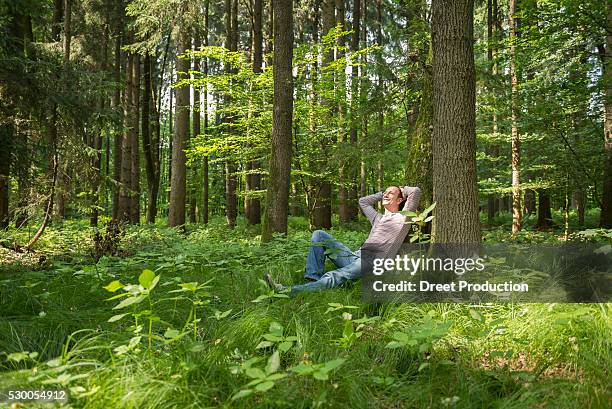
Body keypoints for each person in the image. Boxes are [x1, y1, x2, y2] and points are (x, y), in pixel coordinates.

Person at [265, 185, 421, 296]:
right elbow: (363, 201)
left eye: (391, 194)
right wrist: (384, 193)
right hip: (355, 256)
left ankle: (287, 291)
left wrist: (400, 188)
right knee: (319, 235)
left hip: (374, 262)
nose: (386, 195)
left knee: (335, 276)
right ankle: (314, 280)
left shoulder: (403, 217)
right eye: (385, 192)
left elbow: (415, 191)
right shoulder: (377, 218)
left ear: (400, 200)